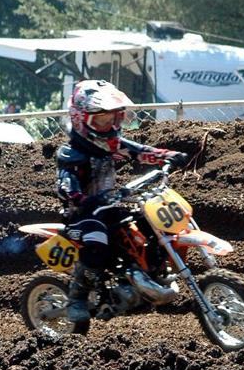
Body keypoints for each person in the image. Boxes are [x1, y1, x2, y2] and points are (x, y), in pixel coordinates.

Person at [56, 79, 188, 322]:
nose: (110, 125)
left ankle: (152, 272)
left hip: (108, 208)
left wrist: (169, 156)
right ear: (80, 119)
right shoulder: (72, 153)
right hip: (82, 216)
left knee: (148, 222)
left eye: (114, 118)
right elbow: (66, 184)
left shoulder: (110, 144)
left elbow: (139, 151)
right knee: (96, 239)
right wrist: (79, 196)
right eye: (102, 120)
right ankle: (77, 296)